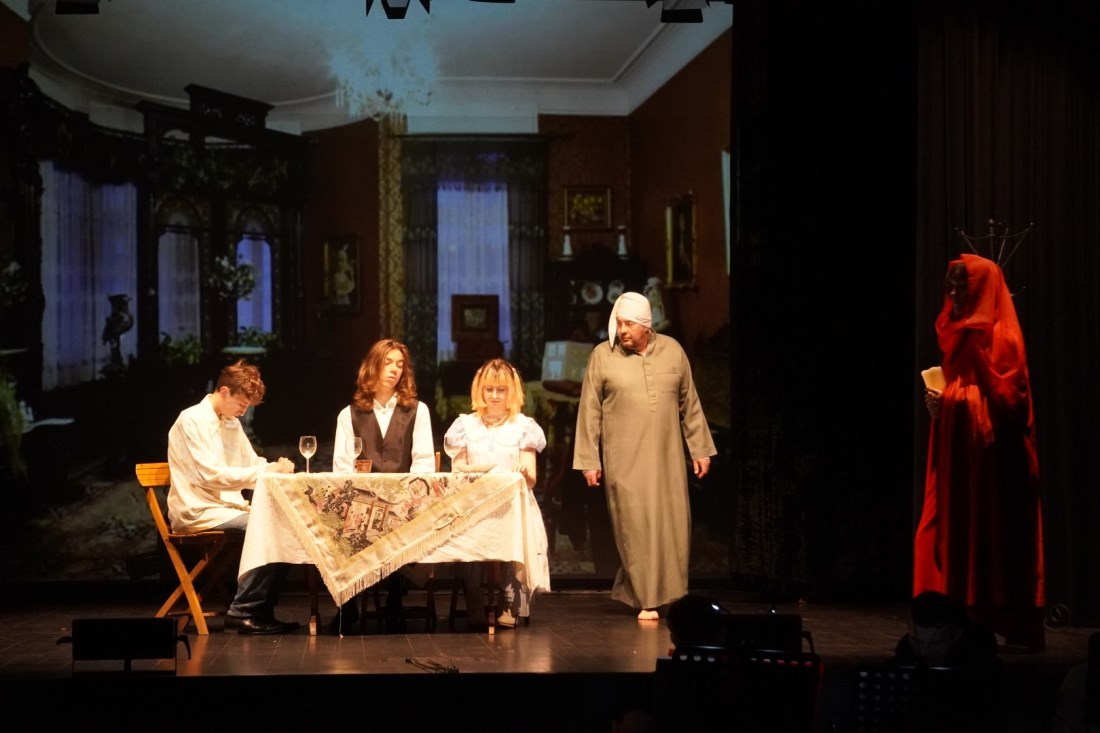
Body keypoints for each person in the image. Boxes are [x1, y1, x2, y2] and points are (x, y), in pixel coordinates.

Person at [915, 254, 1046, 651]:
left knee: (991, 533)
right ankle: (947, 615)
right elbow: (963, 386)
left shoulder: (1001, 337)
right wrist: (941, 403)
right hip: (958, 454)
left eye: (963, 287)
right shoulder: (957, 332)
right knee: (943, 528)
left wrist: (952, 402)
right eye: (951, 287)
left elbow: (1009, 402)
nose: (954, 295)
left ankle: (991, 618)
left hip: (992, 462)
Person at [573, 291, 717, 621]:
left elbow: (690, 403)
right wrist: (589, 461)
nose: (622, 330)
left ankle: (673, 595)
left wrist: (700, 449)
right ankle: (647, 598)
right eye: (619, 323)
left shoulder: (673, 351)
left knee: (673, 525)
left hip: (667, 457)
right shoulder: (603, 356)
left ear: (646, 325)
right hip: (624, 458)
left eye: (629, 324)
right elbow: (589, 411)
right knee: (635, 526)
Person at [166, 359, 297, 634]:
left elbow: (251, 463)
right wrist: (264, 472)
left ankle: (261, 608)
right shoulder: (190, 420)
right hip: (198, 510)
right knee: (266, 525)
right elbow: (209, 475)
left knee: (291, 524)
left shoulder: (231, 423)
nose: (243, 411)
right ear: (224, 391)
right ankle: (243, 610)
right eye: (241, 404)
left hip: (228, 507)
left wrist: (275, 467)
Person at [329, 339, 436, 633]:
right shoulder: (349, 414)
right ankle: (348, 602)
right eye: (388, 363)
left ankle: (394, 599)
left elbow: (424, 464)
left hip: (403, 503)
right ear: (372, 367)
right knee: (343, 523)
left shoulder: (418, 411)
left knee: (401, 522)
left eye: (400, 364)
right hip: (362, 503)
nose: (394, 370)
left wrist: (404, 498)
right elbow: (342, 469)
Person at [443, 357, 549, 629]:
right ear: (480, 390)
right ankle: (475, 601)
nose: (494, 396)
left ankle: (508, 601)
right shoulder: (465, 425)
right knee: (470, 533)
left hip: (512, 504)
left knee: (514, 532)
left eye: (501, 390)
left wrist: (523, 472)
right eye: (489, 389)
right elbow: (458, 470)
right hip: (476, 502)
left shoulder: (523, 426)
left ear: (511, 392)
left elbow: (532, 479)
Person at [893, 590, 1002, 669]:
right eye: (917, 641)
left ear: (957, 634)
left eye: (936, 643)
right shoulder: (904, 653)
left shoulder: (980, 661)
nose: (924, 652)